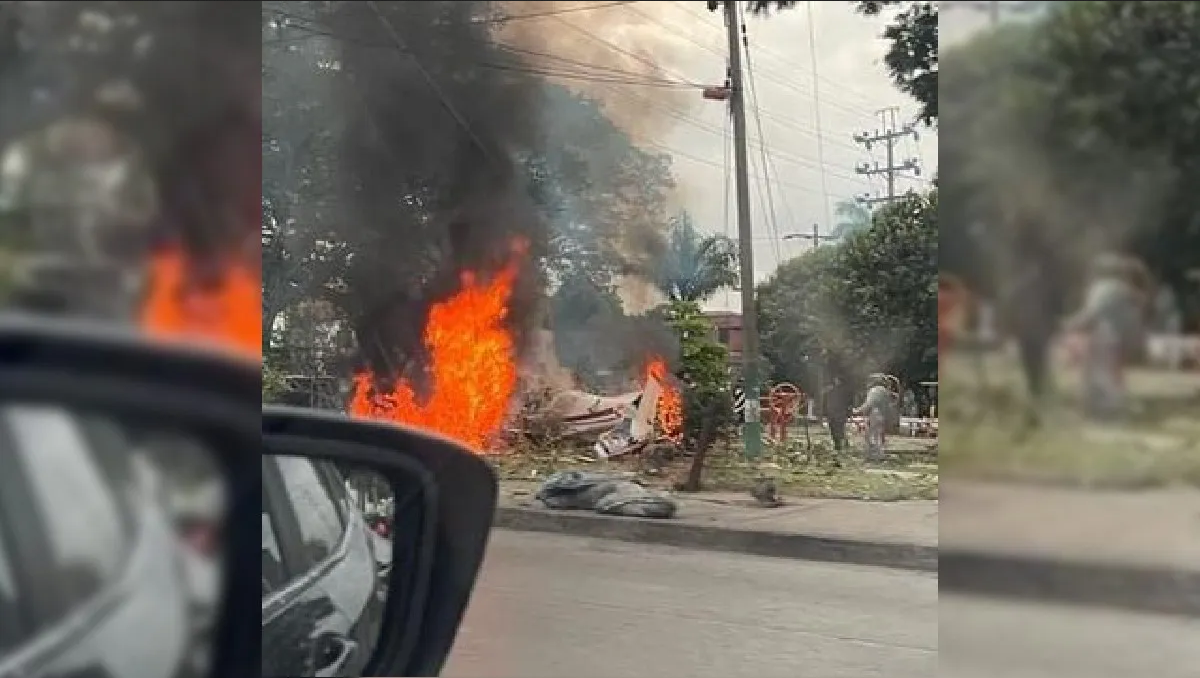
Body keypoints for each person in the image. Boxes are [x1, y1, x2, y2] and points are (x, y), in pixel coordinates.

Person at [1066, 254, 1146, 419]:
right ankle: (1112, 408)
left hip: (1104, 336)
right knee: (1112, 374)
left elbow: (1092, 313)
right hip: (1119, 338)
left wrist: (1070, 323)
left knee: (1097, 374)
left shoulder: (1104, 288)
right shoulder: (1126, 292)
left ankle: (1105, 411)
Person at [853, 374, 892, 461]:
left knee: (871, 436)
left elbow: (869, 404)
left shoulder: (875, 391)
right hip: (882, 415)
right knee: (879, 435)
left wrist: (857, 410)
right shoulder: (885, 391)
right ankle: (879, 454)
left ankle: (874, 455)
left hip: (875, 414)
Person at [824, 374, 852, 451]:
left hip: (839, 413)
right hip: (832, 413)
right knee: (833, 429)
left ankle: (841, 444)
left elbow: (848, 402)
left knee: (839, 429)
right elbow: (826, 401)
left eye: (837, 380)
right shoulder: (830, 390)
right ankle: (838, 444)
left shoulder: (844, 391)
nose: (836, 381)